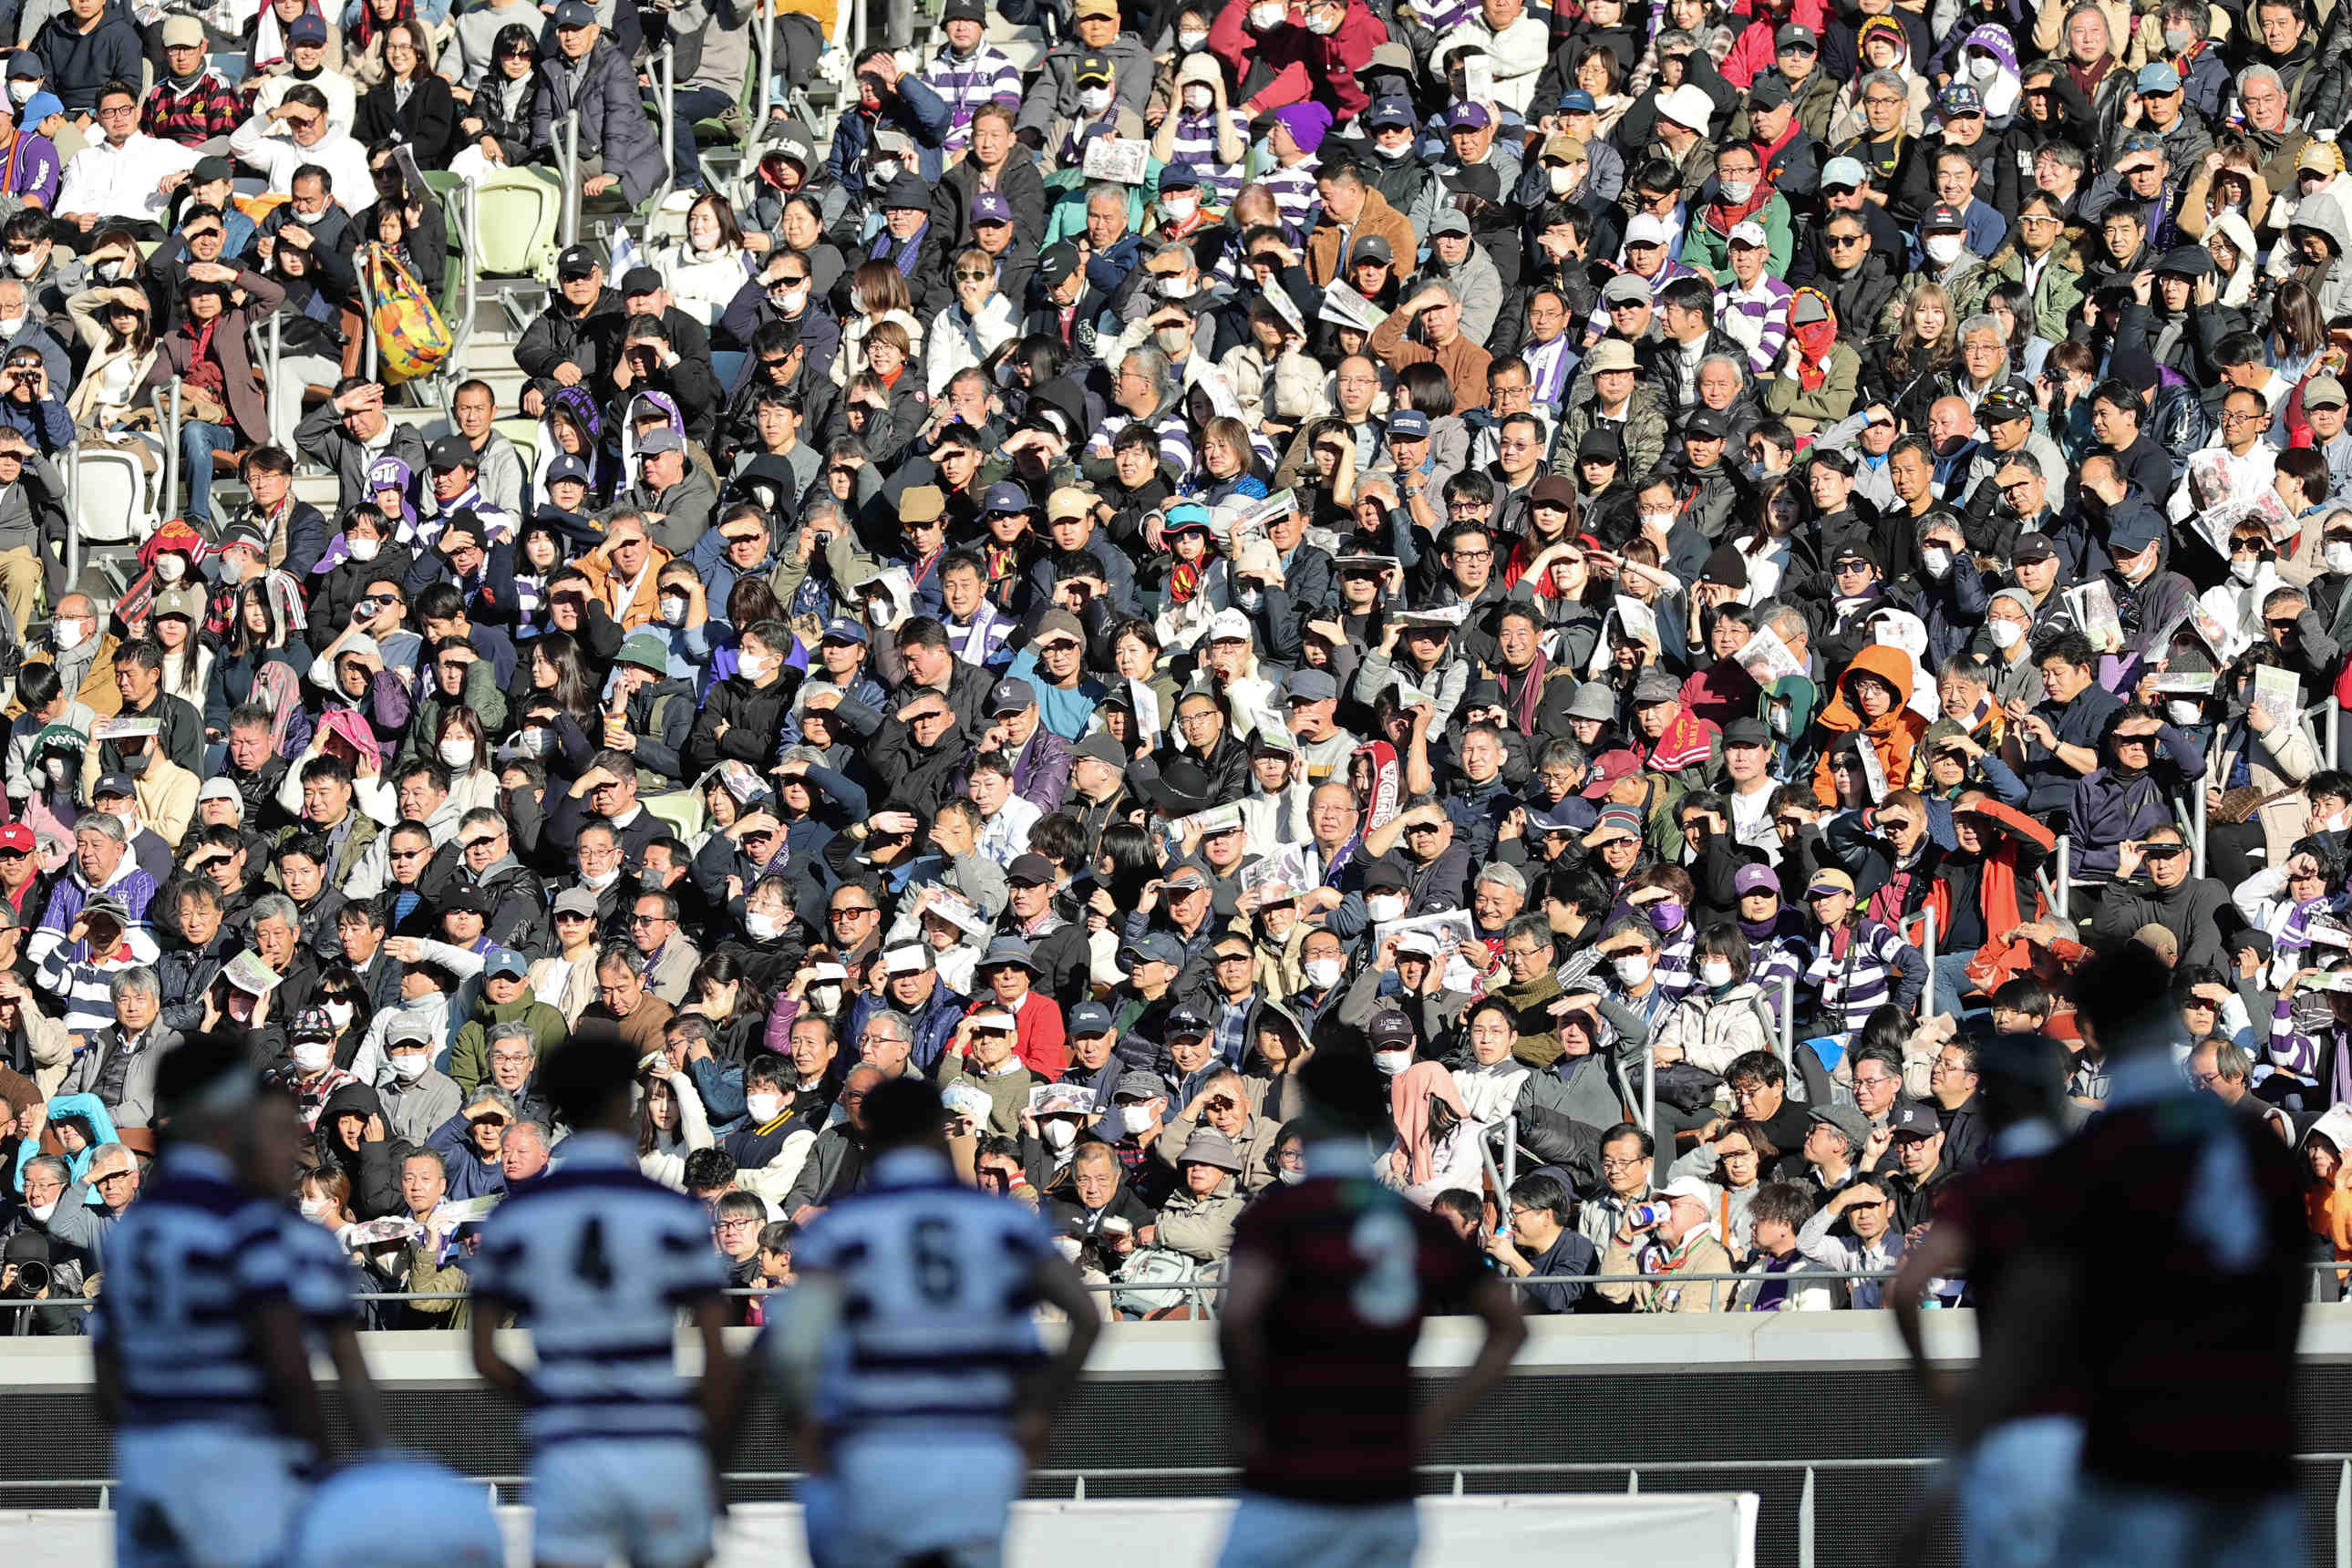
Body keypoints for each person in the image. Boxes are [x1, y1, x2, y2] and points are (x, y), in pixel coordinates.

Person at [753, 1076, 1102, 1568]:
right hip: (976, 1456)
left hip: (873, 1454)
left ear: (872, 1137)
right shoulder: (1003, 1222)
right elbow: (1086, 1317)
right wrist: (1040, 1412)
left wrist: (805, 1434)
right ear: (938, 1133)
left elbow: (790, 1348)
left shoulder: (842, 1229)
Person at [1213, 1048, 1525, 1568]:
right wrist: (1437, 1420)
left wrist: (1249, 1420)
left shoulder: (1275, 1219)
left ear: (1310, 1116)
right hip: (1385, 1480)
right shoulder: (1416, 1223)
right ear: (1374, 1119)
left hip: (1289, 1471)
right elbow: (1510, 1326)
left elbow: (1235, 1327)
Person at [95, 1037, 390, 1568]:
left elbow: (107, 1377)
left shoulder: (133, 1232)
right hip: (249, 1479)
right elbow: (298, 1368)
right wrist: (359, 1476)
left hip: (151, 1482)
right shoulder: (276, 1234)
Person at [469, 1030, 738, 1568]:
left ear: (560, 1106)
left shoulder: (516, 1218)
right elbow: (716, 1353)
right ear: (623, 1102)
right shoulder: (674, 1213)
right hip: (658, 1442)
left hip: (570, 1449)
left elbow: (483, 1354)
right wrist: (707, 1455)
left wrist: (551, 1402)